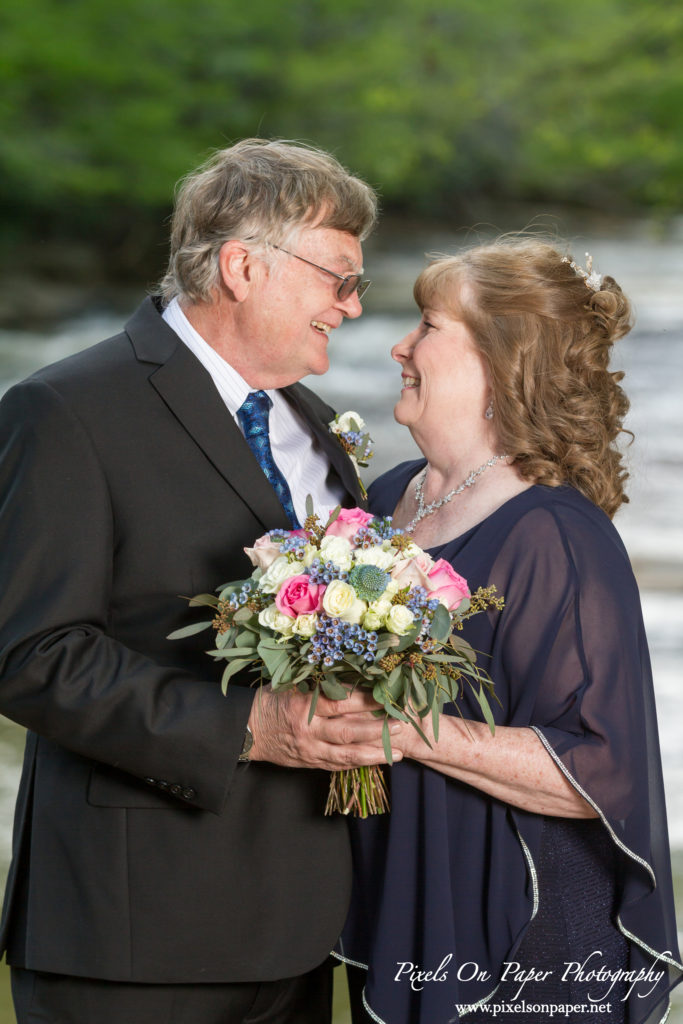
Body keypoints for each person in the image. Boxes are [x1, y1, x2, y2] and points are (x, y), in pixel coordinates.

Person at [0, 139, 400, 1024]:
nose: (353, 305)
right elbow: (32, 654)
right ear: (242, 265)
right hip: (132, 926)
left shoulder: (316, 425)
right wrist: (247, 727)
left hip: (301, 927)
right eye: (337, 277)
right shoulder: (66, 410)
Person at [337, 239, 683, 1024]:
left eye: (426, 326)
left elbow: (599, 770)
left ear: (499, 362)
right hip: (413, 898)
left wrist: (406, 731)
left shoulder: (555, 534)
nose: (399, 346)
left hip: (525, 937)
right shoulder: (386, 494)